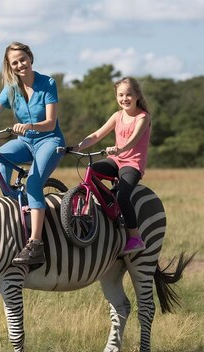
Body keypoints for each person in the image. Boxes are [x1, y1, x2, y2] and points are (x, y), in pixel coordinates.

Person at [0, 42, 66, 265]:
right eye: (15, 62)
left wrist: (29, 126)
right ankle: (13, 202)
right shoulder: (10, 88)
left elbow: (50, 123)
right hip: (25, 142)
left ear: (30, 58)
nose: (20, 65)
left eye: (23, 59)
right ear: (10, 66)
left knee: (34, 183)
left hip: (49, 140)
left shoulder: (47, 83)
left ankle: (36, 244)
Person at [73, 77, 151, 254]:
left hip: (132, 163)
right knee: (90, 172)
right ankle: (107, 204)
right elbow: (96, 135)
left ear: (137, 95)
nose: (124, 99)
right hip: (115, 160)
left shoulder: (143, 117)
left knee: (123, 197)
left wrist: (119, 148)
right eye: (121, 95)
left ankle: (135, 237)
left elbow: (133, 141)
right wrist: (76, 147)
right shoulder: (117, 116)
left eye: (129, 95)